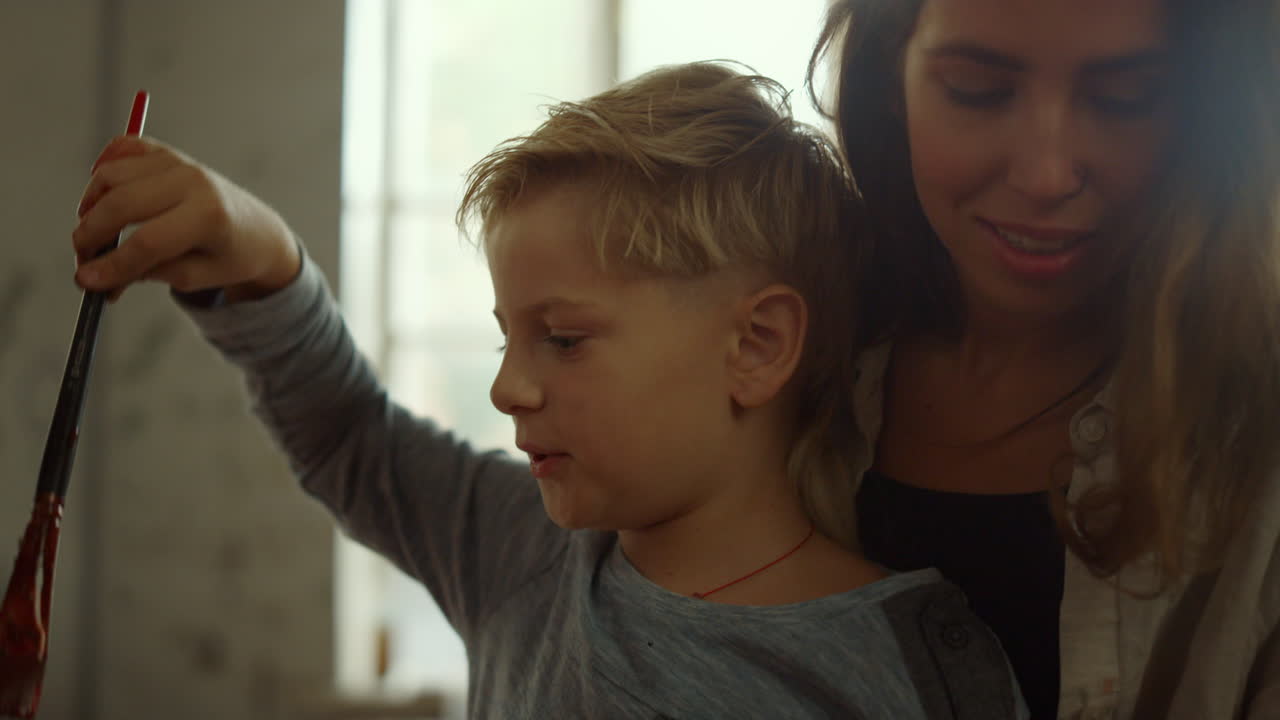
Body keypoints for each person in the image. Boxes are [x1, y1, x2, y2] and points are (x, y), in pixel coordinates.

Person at [71, 63, 1030, 718]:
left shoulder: (913, 665)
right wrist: (262, 257)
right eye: (506, 336)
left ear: (757, 346)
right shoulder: (521, 551)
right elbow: (349, 438)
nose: (506, 388)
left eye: (563, 339)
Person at [805, 0, 1280, 717]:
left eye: (1126, 99)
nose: (1045, 175)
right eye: (976, 89)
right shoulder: (789, 350)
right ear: (889, 80)